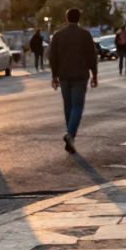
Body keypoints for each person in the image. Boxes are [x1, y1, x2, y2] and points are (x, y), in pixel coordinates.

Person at [48, 8, 99, 154]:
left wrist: (54, 76)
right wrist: (94, 73)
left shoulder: (58, 35)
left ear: (66, 19)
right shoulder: (85, 35)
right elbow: (91, 55)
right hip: (80, 75)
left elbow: (53, 57)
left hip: (64, 75)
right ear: (79, 19)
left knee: (68, 105)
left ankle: (70, 134)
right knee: (77, 105)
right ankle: (70, 134)